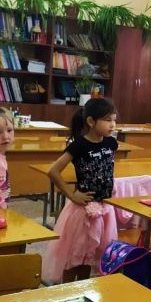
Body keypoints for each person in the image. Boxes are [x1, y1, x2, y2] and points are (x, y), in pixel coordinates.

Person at [42, 98, 118, 284]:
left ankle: (82, 288)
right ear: (91, 121)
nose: (113, 125)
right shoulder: (79, 145)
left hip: (104, 209)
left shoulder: (111, 143)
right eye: (107, 120)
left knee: (90, 255)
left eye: (114, 120)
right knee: (75, 254)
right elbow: (53, 171)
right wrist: (71, 194)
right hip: (83, 211)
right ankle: (67, 290)